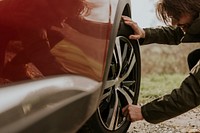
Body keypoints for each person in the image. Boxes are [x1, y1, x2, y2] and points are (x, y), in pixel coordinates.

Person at [121, 0, 200, 124]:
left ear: (190, 6)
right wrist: (145, 33)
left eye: (176, 16)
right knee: (194, 57)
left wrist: (145, 111)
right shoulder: (193, 18)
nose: (174, 23)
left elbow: (192, 92)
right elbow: (178, 33)